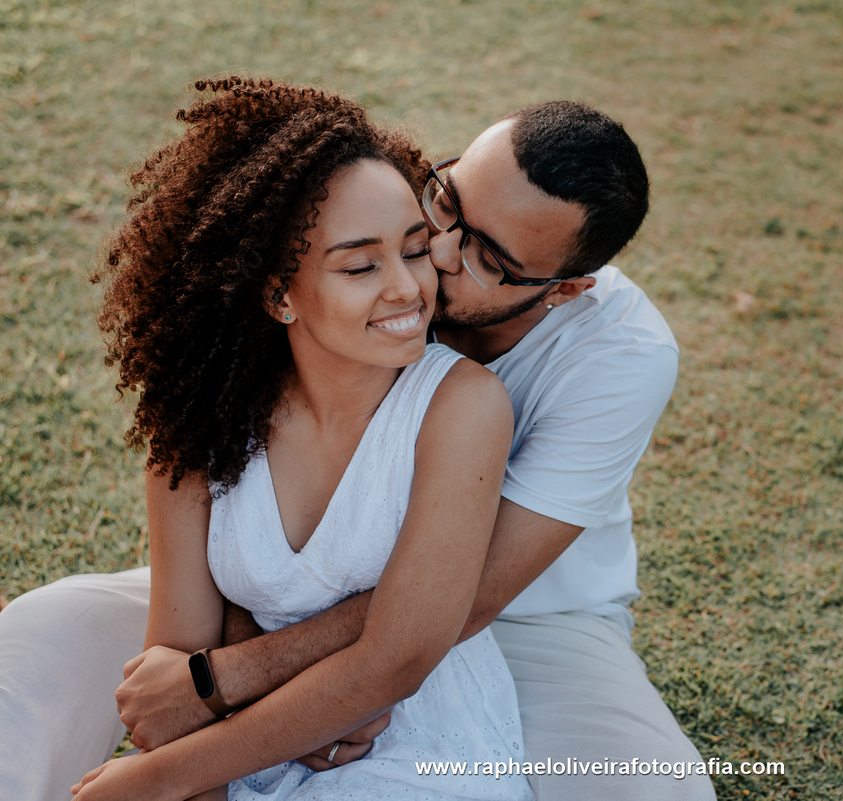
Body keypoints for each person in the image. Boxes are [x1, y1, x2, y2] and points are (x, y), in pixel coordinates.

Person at [0, 84, 716, 800]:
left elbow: (454, 608)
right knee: (45, 632)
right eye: (445, 202)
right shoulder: (374, 247)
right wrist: (234, 651)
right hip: (284, 591)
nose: (433, 253)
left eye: (485, 257)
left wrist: (230, 680)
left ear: (562, 290)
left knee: (660, 791)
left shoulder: (616, 356)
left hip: (526, 620)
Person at [70, 77, 534, 800]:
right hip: (232, 735)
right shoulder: (202, 411)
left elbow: (397, 662)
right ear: (278, 293)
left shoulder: (461, 405)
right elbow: (176, 664)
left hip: (408, 742)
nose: (408, 290)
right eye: (359, 265)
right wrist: (187, 777)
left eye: (415, 251)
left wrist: (147, 781)